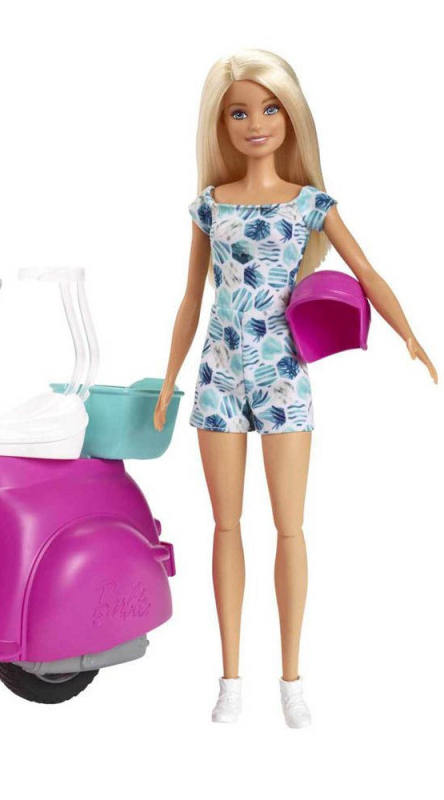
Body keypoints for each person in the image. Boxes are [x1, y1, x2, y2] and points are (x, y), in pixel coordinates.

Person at [153, 49, 437, 728]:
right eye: (239, 113)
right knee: (225, 526)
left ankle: (291, 680)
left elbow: (367, 272)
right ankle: (229, 680)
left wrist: (409, 334)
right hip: (219, 375)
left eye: (269, 109)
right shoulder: (210, 205)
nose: (256, 124)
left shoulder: (309, 204)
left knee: (289, 527)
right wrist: (169, 377)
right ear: (220, 125)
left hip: (283, 374)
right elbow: (191, 296)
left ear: (291, 117)